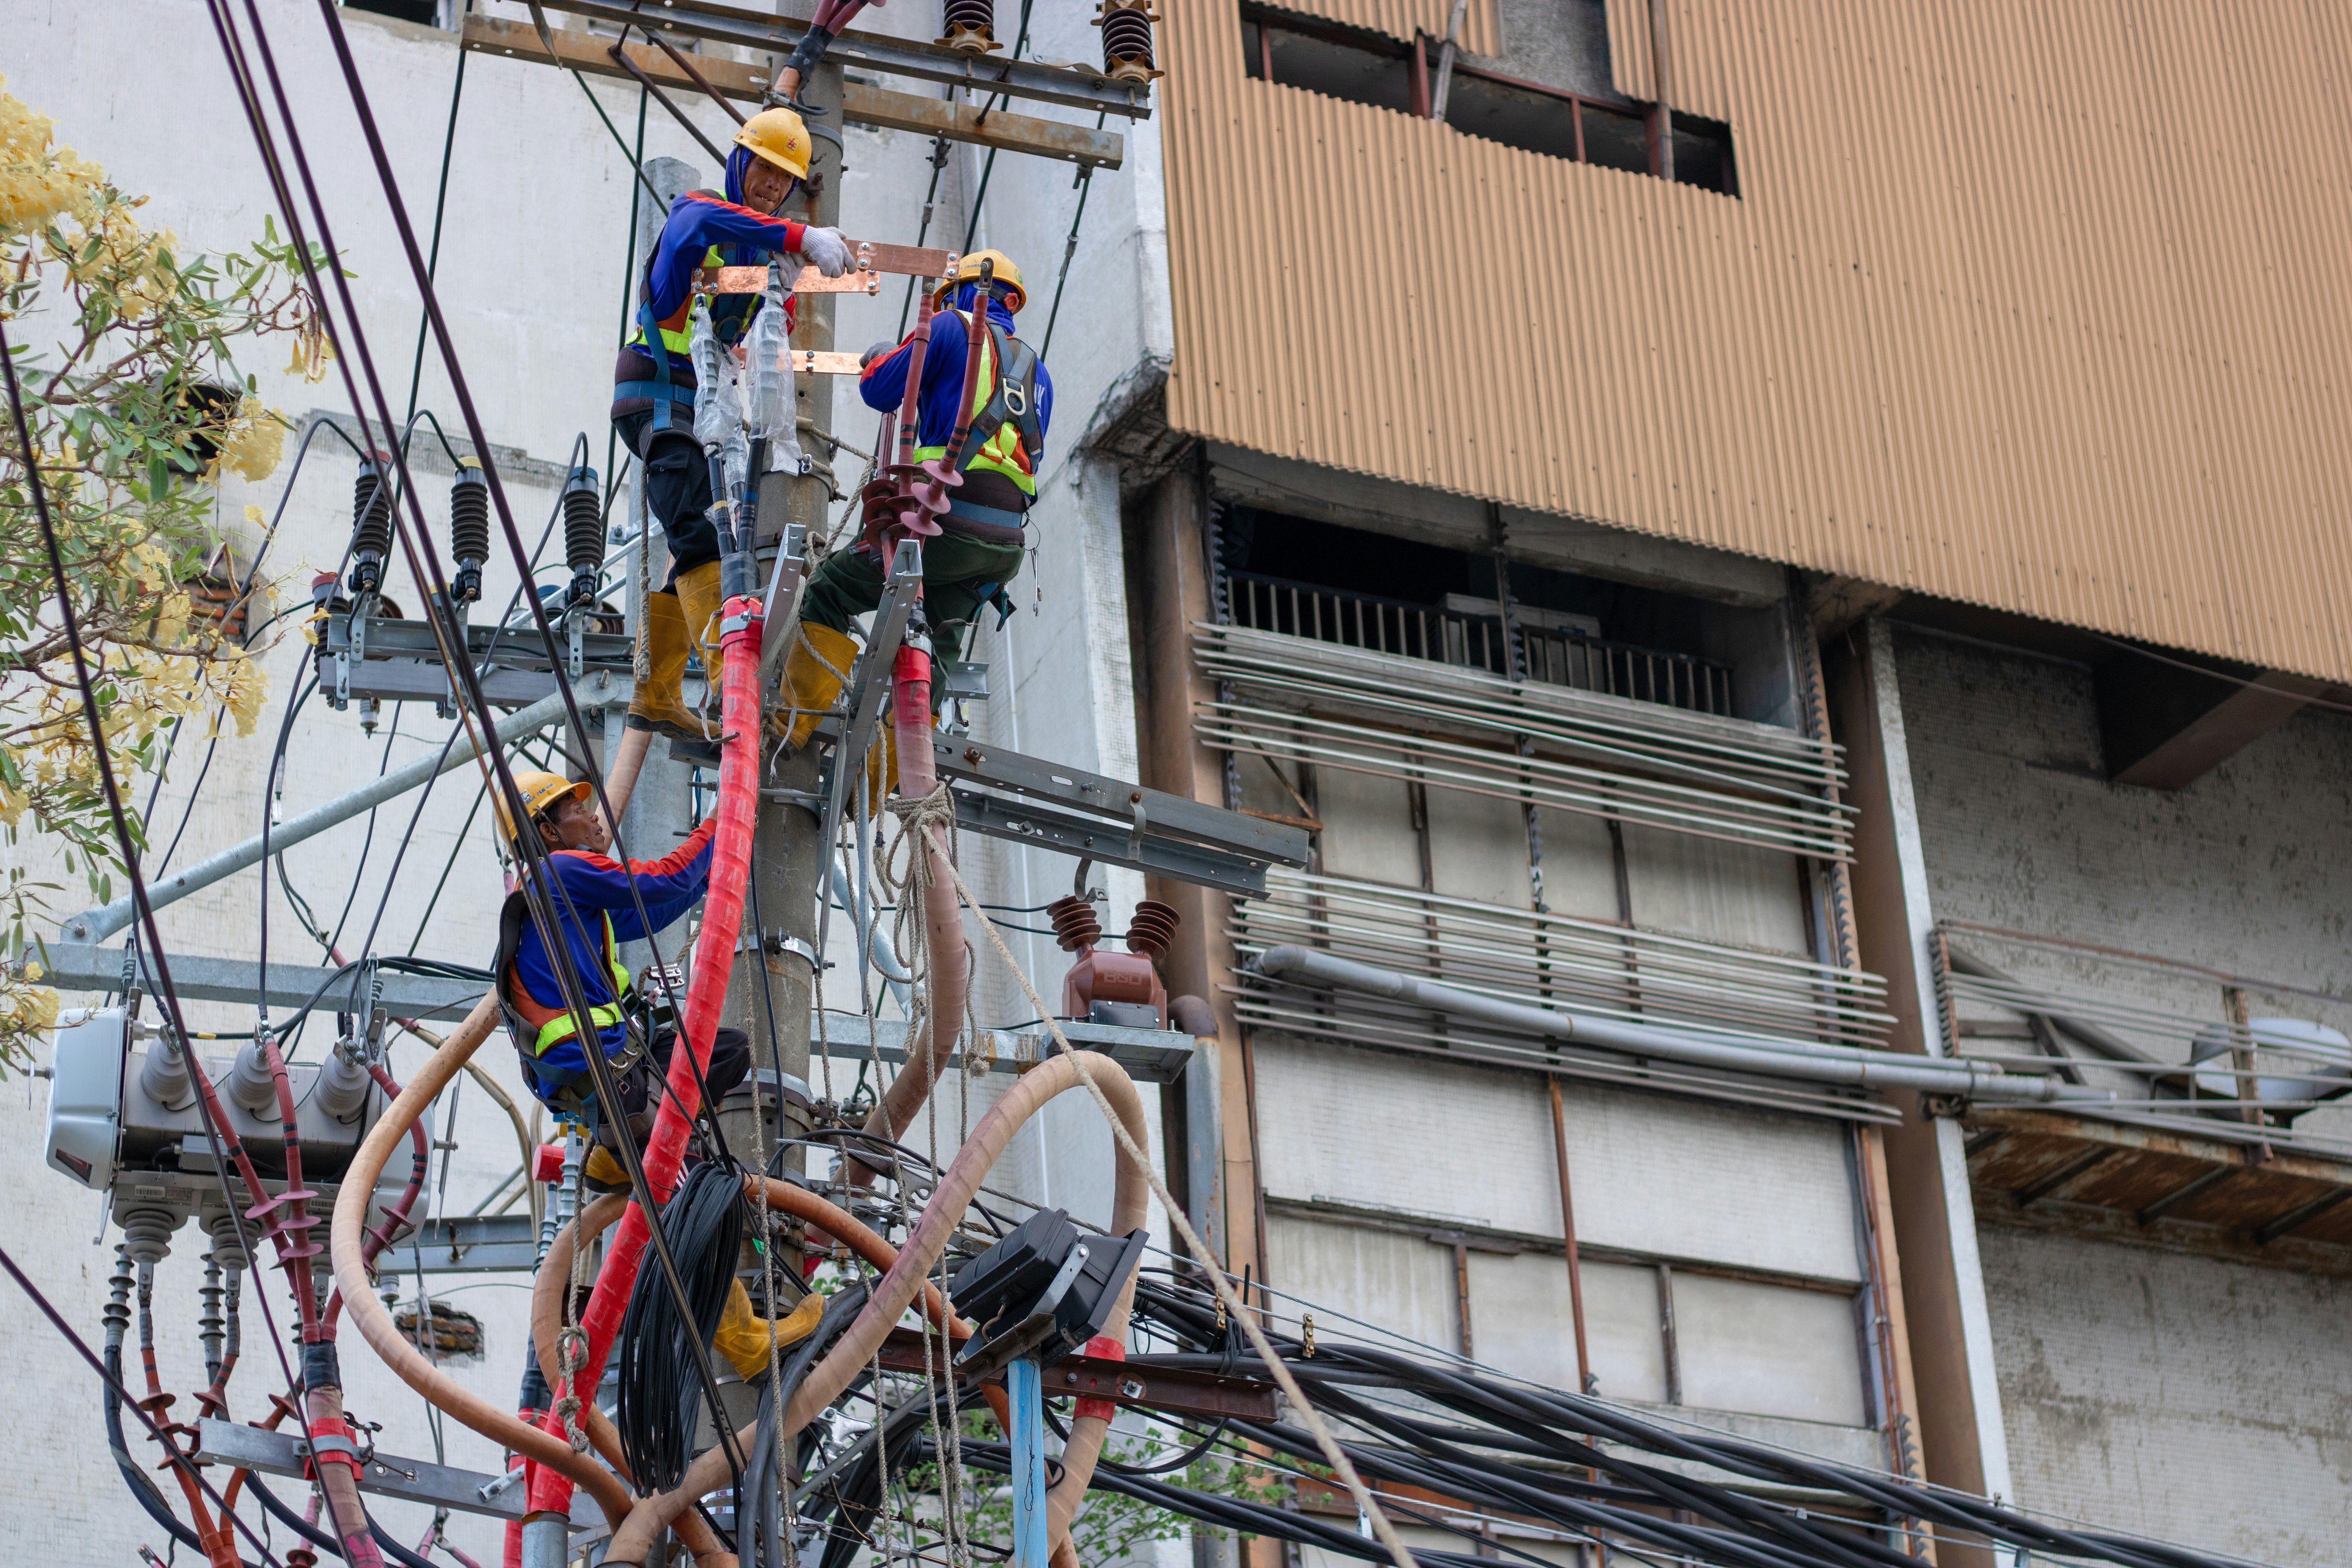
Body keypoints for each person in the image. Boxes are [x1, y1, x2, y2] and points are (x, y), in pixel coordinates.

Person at [492, 770, 811, 1378]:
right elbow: (665, 878)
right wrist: (725, 819)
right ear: (544, 831)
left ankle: (616, 1159)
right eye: (575, 809)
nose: (593, 816)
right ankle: (743, 1338)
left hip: (607, 1073)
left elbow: (662, 901)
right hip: (609, 1075)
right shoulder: (560, 872)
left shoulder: (564, 900)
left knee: (724, 1052)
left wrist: (717, 864)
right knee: (688, 1188)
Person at [615, 106, 854, 747]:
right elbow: (692, 218)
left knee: (695, 535)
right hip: (660, 397)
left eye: (786, 180)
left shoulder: (754, 254)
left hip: (700, 406)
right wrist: (798, 238)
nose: (774, 186)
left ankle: (659, 691)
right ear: (740, 162)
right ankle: (731, 685)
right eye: (766, 170)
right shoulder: (700, 216)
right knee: (700, 534)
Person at [778, 249, 1052, 755]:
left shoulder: (949, 326)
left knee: (832, 589)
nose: (950, 301)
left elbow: (883, 391)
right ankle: (888, 773)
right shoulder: (1039, 373)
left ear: (963, 294)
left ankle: (795, 723)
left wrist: (883, 356)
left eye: (952, 293)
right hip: (1002, 545)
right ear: (1013, 304)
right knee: (937, 643)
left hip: (941, 522)